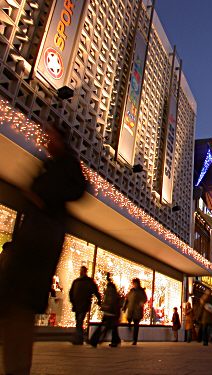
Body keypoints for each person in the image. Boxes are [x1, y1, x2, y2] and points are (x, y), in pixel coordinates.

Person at [0, 125, 86, 374]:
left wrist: (44, 199)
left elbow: (78, 190)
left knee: (20, 306)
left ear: (61, 138)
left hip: (40, 243)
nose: (46, 140)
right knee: (16, 308)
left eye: (51, 136)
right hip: (32, 240)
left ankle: (17, 367)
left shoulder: (66, 164)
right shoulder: (48, 164)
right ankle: (15, 365)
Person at [69, 266, 101, 345]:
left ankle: (79, 339)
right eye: (81, 270)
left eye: (82, 271)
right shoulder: (78, 281)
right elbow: (71, 292)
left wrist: (99, 300)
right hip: (78, 305)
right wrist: (72, 301)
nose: (81, 272)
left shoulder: (85, 281)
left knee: (79, 321)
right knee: (78, 322)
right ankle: (81, 338)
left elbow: (96, 291)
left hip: (82, 305)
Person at [89, 273, 122, 348]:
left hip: (110, 313)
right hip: (111, 313)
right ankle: (115, 340)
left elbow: (110, 303)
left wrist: (104, 307)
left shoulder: (110, 293)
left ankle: (95, 340)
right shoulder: (113, 293)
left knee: (105, 328)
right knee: (111, 328)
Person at [122, 278, 147, 345]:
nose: (134, 285)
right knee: (129, 319)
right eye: (133, 283)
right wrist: (124, 306)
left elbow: (145, 298)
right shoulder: (132, 291)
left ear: (138, 284)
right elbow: (127, 299)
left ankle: (134, 340)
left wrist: (141, 303)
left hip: (137, 310)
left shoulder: (141, 291)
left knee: (136, 325)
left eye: (135, 283)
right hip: (131, 309)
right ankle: (130, 326)